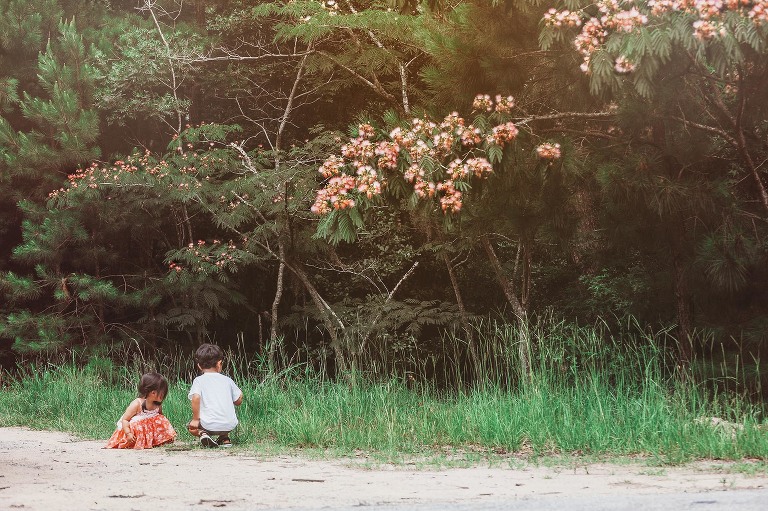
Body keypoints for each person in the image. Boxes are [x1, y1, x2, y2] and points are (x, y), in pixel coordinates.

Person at [187, 343, 243, 448]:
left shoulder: (199, 381)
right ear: (219, 363)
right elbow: (238, 401)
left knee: (190, 427)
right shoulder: (228, 380)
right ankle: (225, 439)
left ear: (199, 365)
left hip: (208, 425)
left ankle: (203, 434)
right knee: (222, 414)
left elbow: (196, 397)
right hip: (229, 425)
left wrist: (195, 419)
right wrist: (240, 394)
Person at [105, 372, 176, 449]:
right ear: (153, 392)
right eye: (162, 392)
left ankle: (156, 440)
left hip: (148, 429)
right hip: (132, 430)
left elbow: (160, 417)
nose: (164, 394)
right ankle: (135, 441)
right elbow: (125, 419)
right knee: (138, 425)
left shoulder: (158, 404)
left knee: (160, 418)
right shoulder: (137, 403)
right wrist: (128, 433)